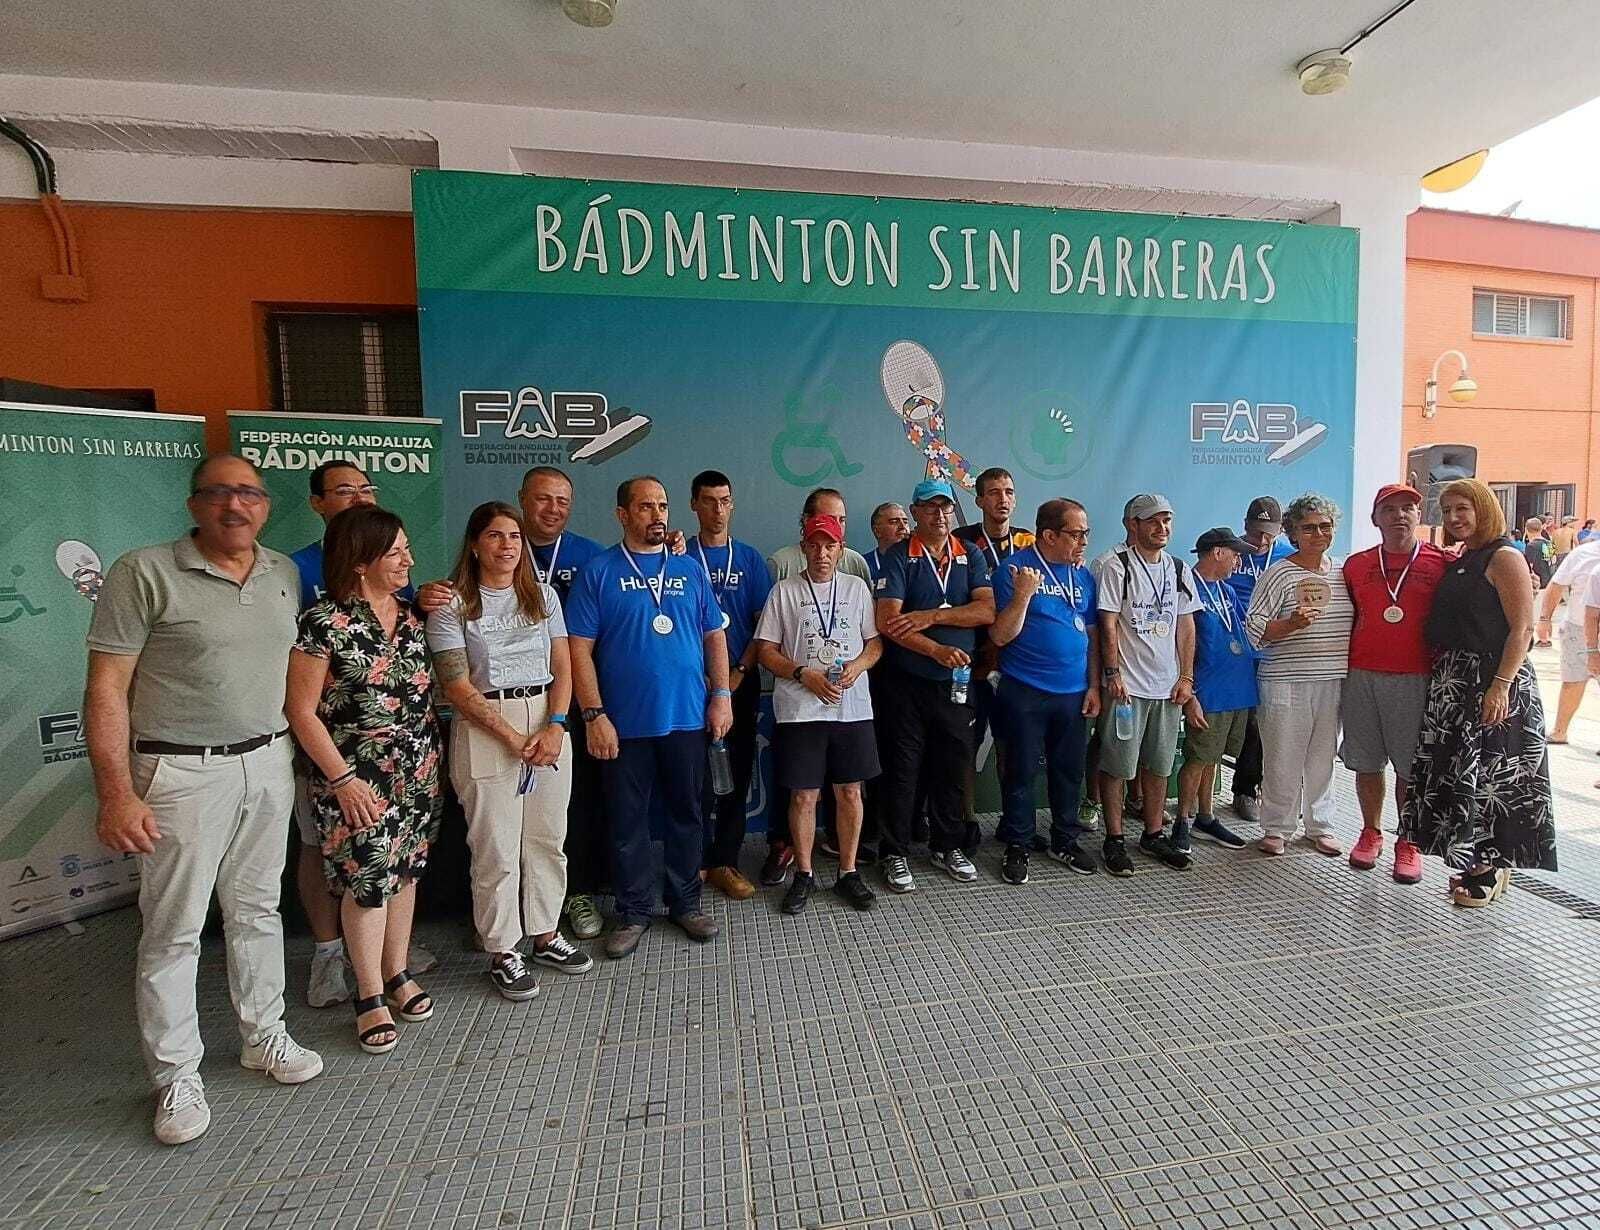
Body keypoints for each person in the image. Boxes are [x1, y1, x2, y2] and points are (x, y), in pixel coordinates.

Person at [85, 453, 323, 1145]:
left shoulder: (282, 573)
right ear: (194, 505)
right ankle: (175, 1074)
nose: (235, 506)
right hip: (180, 773)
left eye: (249, 493)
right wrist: (116, 792)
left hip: (267, 759)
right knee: (174, 928)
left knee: (256, 910)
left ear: (267, 505)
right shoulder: (144, 572)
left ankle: (264, 1035)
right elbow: (106, 688)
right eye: (218, 494)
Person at [286, 506, 442, 1055]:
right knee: (370, 882)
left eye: (406, 549)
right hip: (355, 779)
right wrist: (343, 779)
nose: (409, 560)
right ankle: (369, 993)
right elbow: (301, 710)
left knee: (407, 872)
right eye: (396, 551)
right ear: (360, 560)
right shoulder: (323, 623)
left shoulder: (412, 615)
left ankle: (396, 973)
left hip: (418, 771)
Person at [426, 501, 592, 1002]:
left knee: (546, 837)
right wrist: (512, 738)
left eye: (514, 537)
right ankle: (503, 948)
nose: (507, 546)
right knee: (495, 846)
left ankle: (544, 932)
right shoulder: (451, 604)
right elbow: (455, 684)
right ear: (475, 544)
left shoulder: (542, 596)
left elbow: (563, 664)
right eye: (496, 536)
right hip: (485, 727)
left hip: (545, 721)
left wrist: (557, 725)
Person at [565, 476, 730, 959]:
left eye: (662, 506)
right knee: (627, 821)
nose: (657, 515)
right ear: (622, 514)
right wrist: (594, 713)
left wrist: (721, 695)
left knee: (687, 814)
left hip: (686, 718)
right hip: (624, 724)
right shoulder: (599, 572)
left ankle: (685, 902)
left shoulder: (690, 571)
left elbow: (714, 636)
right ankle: (634, 910)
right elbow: (579, 649)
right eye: (644, 507)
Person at [1402, 479, 1555, 904]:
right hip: (1456, 680)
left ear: (1483, 508)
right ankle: (1476, 861)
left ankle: (1490, 866)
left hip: (1491, 680)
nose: (1454, 518)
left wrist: (1500, 686)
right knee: (1465, 774)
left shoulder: (1505, 556)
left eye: (1462, 509)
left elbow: (1522, 629)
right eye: (1447, 510)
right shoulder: (1468, 556)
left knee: (1492, 775)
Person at [752, 512, 882, 913]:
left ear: (840, 548)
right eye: (815, 545)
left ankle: (847, 872)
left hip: (851, 707)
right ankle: (804, 874)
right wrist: (802, 674)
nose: (822, 553)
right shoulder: (784, 592)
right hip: (800, 709)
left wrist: (856, 669)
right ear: (803, 546)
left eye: (831, 545)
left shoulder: (857, 588)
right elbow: (765, 651)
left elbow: (874, 645)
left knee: (849, 791)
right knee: (804, 796)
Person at [874, 478, 995, 890]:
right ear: (915, 512)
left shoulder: (971, 553)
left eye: (945, 508)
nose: (939, 515)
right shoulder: (898, 556)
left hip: (956, 684)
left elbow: (986, 611)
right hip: (907, 682)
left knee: (953, 766)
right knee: (903, 770)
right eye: (930, 508)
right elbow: (888, 621)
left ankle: (948, 846)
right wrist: (934, 650)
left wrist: (931, 616)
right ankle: (894, 852)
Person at [1339, 485, 1448, 883]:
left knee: (1409, 766)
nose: (1400, 516)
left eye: (1408, 508)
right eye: (1390, 509)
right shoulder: (1355, 566)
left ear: (1420, 516)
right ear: (1375, 518)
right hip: (1362, 674)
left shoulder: (1443, 563)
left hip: (1415, 677)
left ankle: (1409, 839)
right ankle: (1370, 831)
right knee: (1366, 761)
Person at [988, 498, 1100, 882]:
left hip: (1073, 691)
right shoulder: (1014, 570)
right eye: (1076, 533)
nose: (1084, 540)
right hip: (1025, 689)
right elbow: (1000, 636)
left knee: (1068, 771)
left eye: (1086, 533)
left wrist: (1095, 686)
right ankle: (1018, 843)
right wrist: (1023, 595)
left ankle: (1064, 840)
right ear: (1049, 535)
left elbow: (1092, 635)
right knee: (1020, 771)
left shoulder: (1082, 576)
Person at [519, 466, 608, 942]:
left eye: (562, 501)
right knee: (510, 810)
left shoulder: (590, 557)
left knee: (576, 806)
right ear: (522, 499)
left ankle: (579, 892)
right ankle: (516, 905)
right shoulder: (500, 546)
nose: (552, 509)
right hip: (511, 702)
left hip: (571, 700)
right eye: (542, 499)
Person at [1244, 494, 1354, 857]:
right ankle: (1277, 828)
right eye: (1308, 528)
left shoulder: (1342, 572)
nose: (1318, 533)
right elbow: (1254, 630)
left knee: (1323, 757)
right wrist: (1291, 624)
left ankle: (1319, 826)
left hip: (1332, 680)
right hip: (1285, 680)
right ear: (1293, 533)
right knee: (1282, 756)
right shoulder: (1279, 573)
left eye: (1325, 526)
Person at [1096, 493, 1197, 875]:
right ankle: (1114, 838)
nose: (1162, 528)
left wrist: (1186, 677)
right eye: (1152, 520)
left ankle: (1153, 833)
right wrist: (1112, 672)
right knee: (1118, 765)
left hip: (1167, 687)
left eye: (1167, 520)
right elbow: (1106, 623)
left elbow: (1186, 625)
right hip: (1127, 687)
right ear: (1131, 524)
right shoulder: (1114, 564)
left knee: (1159, 765)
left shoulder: (1177, 568)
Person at [689, 470, 773, 900]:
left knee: (735, 777)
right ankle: (694, 864)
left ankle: (725, 861)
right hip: (689, 687)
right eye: (708, 501)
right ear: (694, 506)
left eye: (724, 500)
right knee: (693, 780)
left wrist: (736, 673)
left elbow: (765, 629)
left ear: (732, 504)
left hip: (739, 680)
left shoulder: (751, 560)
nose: (717, 509)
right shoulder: (679, 558)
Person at [953, 467, 1036, 849]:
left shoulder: (1031, 544)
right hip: (970, 662)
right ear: (979, 500)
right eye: (994, 492)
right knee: (965, 747)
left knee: (1012, 748)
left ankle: (1011, 821)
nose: (1003, 499)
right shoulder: (960, 541)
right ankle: (967, 821)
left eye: (1009, 491)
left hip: (1017, 665)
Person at [1173, 528, 1257, 854]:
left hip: (1236, 690)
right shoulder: (1187, 590)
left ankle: (1205, 817)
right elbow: (1180, 645)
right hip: (1207, 690)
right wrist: (1190, 693)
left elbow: (1242, 631)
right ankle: (1182, 819)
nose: (1239, 562)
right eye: (1236, 554)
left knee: (1213, 758)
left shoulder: (1227, 591)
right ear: (1217, 552)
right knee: (1197, 757)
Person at [1225, 495, 1293, 824]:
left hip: (1275, 653)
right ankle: (1223, 792)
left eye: (1268, 534)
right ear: (1245, 527)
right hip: (1236, 655)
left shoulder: (1288, 557)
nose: (1261, 541)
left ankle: (1248, 788)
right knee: (1235, 722)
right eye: (1255, 534)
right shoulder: (1230, 553)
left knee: (1266, 724)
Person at [1535, 530, 1600, 744]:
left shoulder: (1556, 538)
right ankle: (1560, 730)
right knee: (1573, 680)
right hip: (1578, 628)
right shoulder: (1582, 553)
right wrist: (1544, 619)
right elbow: (1556, 585)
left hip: (1581, 625)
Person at [865, 502, 911, 580]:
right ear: (877, 531)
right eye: (894, 522)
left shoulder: (922, 562)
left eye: (905, 522)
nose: (903, 527)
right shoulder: (863, 564)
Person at [1523, 517, 1554, 591]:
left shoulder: (1531, 546)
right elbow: (1551, 562)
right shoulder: (1549, 543)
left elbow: (1530, 566)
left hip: (1537, 584)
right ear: (1541, 529)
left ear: (1526, 530)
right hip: (1549, 583)